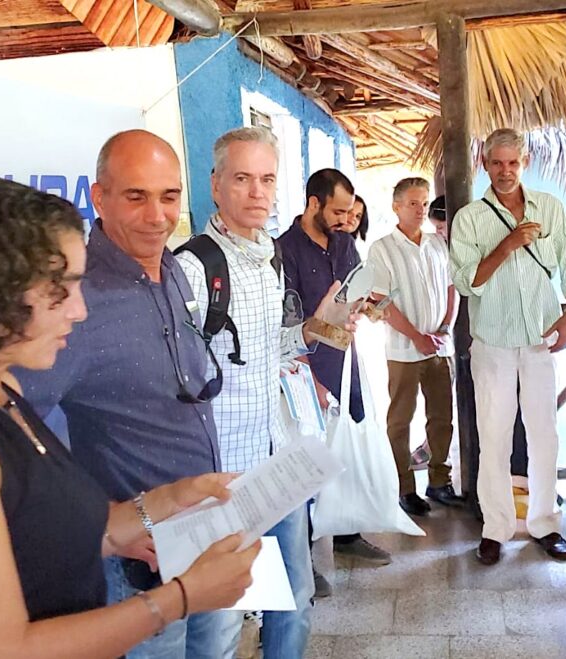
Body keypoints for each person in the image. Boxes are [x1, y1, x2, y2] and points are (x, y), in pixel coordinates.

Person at [0, 177, 260, 658]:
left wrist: (171, 499)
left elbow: (59, 534)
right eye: (61, 290)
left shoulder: (0, 388)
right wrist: (181, 597)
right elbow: (2, 651)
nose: (79, 309)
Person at [13, 129, 241, 658]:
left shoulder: (175, 270)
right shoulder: (74, 297)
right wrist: (101, 517)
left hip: (202, 534)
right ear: (99, 198)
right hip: (137, 562)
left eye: (169, 197)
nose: (157, 216)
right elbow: (12, 425)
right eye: (136, 197)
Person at [175, 127, 335, 658]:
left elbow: (268, 349)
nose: (257, 192)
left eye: (267, 179)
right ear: (216, 185)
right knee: (217, 623)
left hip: (275, 460)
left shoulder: (269, 254)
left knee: (294, 598)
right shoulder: (193, 268)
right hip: (222, 476)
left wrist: (309, 331)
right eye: (242, 179)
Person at [449, 128, 566, 566]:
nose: (505, 171)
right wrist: (508, 244)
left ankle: (545, 523)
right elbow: (467, 281)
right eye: (497, 163)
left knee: (544, 433)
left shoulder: (551, 208)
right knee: (494, 436)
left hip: (541, 340)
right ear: (485, 165)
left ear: (524, 162)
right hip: (492, 343)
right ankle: (496, 529)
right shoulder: (470, 218)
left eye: (513, 162)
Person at [279, 168, 392, 569]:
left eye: (350, 212)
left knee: (349, 447)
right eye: (339, 211)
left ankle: (348, 534)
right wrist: (311, 378)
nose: (347, 220)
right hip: (305, 370)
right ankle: (306, 560)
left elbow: (354, 293)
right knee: (308, 462)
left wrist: (371, 306)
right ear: (314, 204)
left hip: (347, 363)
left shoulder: (344, 245)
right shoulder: (284, 251)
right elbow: (288, 324)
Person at [367, 177, 461, 518]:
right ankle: (404, 487)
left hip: (439, 347)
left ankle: (440, 482)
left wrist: (444, 327)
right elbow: (381, 302)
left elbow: (452, 288)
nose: (420, 209)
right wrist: (417, 336)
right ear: (396, 207)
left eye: (424, 203)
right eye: (412, 203)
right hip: (403, 352)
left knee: (441, 418)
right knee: (400, 421)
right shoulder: (382, 248)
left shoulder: (438, 245)